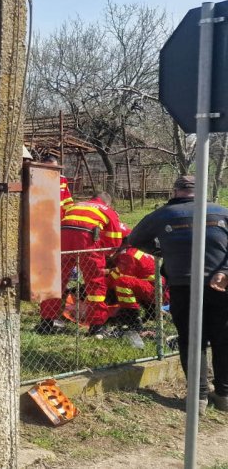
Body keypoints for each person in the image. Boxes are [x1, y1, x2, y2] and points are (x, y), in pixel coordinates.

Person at [126, 175, 228, 413]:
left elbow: (135, 239)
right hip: (221, 284)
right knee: (223, 338)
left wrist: (162, 250)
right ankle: (224, 394)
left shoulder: (162, 215)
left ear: (175, 191)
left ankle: (198, 398)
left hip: (184, 284)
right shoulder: (221, 211)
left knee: (192, 340)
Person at [37, 191, 126, 335]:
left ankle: (46, 323)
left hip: (64, 239)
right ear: (107, 203)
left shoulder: (75, 206)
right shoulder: (108, 211)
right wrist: (106, 254)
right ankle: (97, 327)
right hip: (87, 241)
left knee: (56, 280)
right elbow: (115, 240)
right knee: (95, 282)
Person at [107, 246, 167, 331]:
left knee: (123, 282)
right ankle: (152, 312)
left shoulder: (127, 255)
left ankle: (132, 318)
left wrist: (103, 287)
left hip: (155, 290)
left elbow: (121, 277)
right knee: (129, 282)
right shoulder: (133, 251)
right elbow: (118, 272)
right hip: (158, 288)